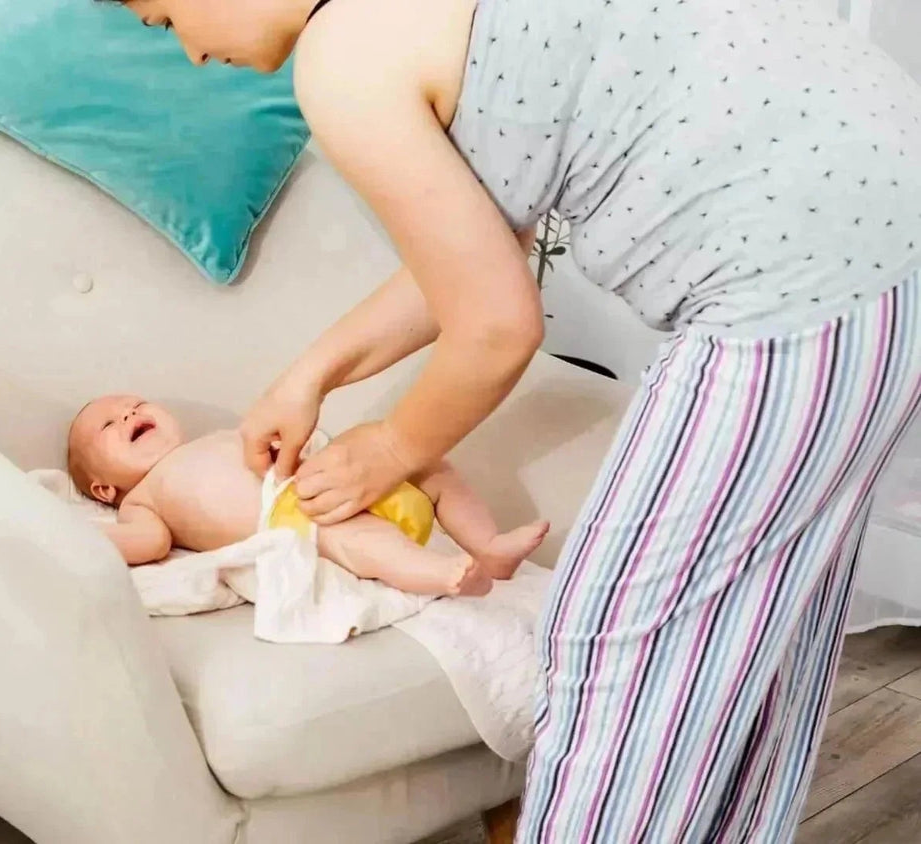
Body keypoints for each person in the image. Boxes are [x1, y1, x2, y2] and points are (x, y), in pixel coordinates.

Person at [108, 0, 921, 839]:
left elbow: (498, 325)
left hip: (799, 283)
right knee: (756, 628)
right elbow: (477, 252)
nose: (192, 56)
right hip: (884, 249)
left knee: (615, 641)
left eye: (166, 21)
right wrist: (312, 374)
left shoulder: (343, 55)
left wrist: (390, 446)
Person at [65, 393, 548, 594]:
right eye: (109, 423)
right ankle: (440, 574)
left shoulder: (214, 439)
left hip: (329, 477)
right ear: (103, 487)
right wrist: (64, 534)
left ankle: (488, 546)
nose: (128, 413)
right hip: (295, 519)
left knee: (428, 464)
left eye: (135, 404)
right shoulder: (142, 498)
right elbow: (147, 543)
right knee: (351, 535)